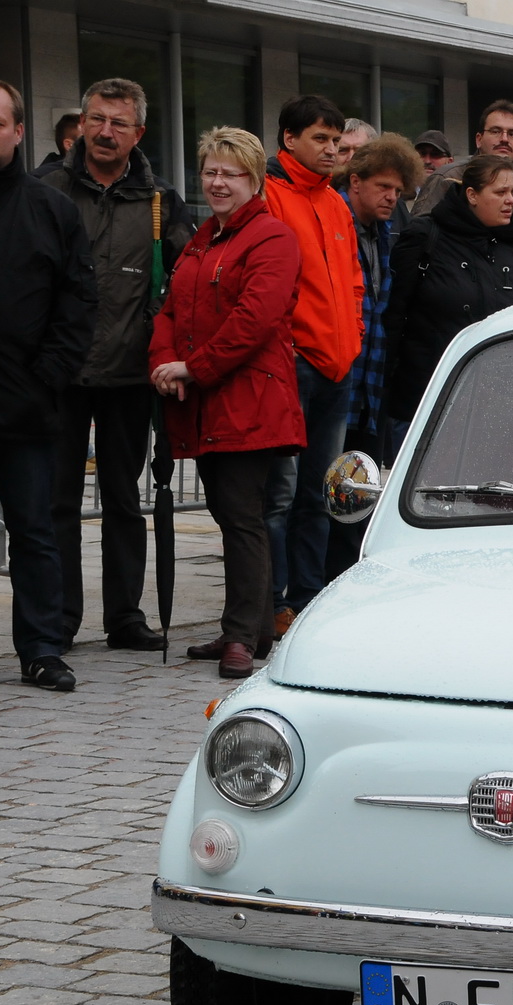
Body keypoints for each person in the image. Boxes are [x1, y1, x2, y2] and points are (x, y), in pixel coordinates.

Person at [0, 78, 97, 692]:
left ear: (16, 131)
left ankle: (41, 649)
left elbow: (79, 302)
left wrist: (50, 377)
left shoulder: (51, 210)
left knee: (35, 530)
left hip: (26, 400)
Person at [36, 78, 194, 654]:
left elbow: (188, 286)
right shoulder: (46, 187)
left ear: (139, 133)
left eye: (118, 123)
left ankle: (124, 616)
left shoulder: (162, 202)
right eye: (96, 119)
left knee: (125, 502)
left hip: (130, 375)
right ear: (81, 122)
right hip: (58, 376)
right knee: (56, 502)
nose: (105, 132)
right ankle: (57, 618)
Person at [150, 127, 306, 679]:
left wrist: (195, 367)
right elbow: (169, 310)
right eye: (210, 172)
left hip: (250, 399)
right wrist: (164, 362)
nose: (217, 182)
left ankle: (242, 635)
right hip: (210, 399)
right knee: (231, 512)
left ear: (253, 179)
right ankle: (253, 628)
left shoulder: (271, 238)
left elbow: (254, 319)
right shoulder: (203, 238)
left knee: (242, 515)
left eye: (229, 173)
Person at [262, 94, 364, 638]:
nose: (332, 150)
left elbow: (352, 281)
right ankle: (276, 602)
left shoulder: (334, 203)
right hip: (294, 364)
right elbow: (271, 284)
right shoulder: (271, 195)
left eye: (336, 140)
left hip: (336, 365)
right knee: (280, 491)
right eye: (320, 140)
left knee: (319, 493)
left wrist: (353, 337)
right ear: (289, 140)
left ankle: (308, 598)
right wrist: (294, 348)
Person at [382, 154, 513, 431]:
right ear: (472, 195)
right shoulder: (426, 236)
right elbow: (394, 315)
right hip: (434, 396)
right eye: (500, 192)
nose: (510, 200)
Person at [325, 134, 423, 583]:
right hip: (334, 377)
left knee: (355, 493)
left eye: (399, 191)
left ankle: (340, 579)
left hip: (369, 384)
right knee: (321, 491)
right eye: (384, 187)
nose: (391, 198)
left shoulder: (382, 233)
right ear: (355, 181)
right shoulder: (336, 222)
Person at [412, 100, 513, 218]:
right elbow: (419, 231)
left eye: (512, 134)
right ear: (479, 139)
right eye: (495, 131)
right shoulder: (447, 179)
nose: (504, 139)